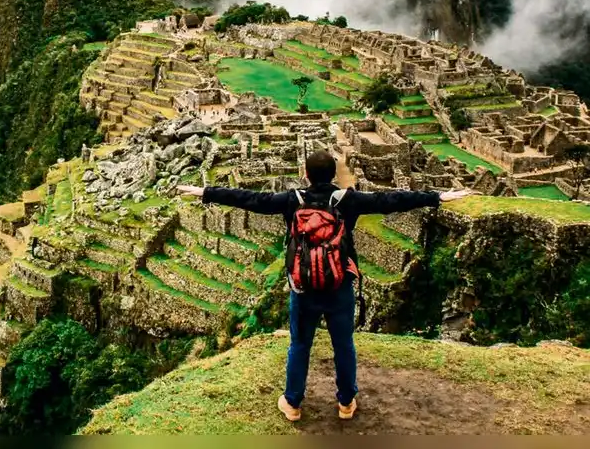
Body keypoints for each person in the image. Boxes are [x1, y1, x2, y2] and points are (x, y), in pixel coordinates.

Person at [176, 149, 475, 422]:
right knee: (343, 345)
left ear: (306, 174)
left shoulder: (293, 200)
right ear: (333, 175)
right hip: (339, 285)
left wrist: (206, 191)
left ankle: (292, 403)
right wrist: (437, 197)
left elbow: (252, 199)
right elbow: (391, 200)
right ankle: (346, 403)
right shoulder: (349, 200)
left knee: (300, 344)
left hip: (303, 288)